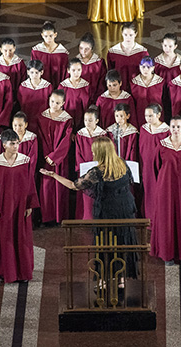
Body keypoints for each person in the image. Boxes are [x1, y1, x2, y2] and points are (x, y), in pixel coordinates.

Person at [40, 135, 139, 283]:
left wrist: (54, 175)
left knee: (105, 245)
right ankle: (121, 280)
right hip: (125, 211)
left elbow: (74, 185)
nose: (92, 154)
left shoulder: (96, 172)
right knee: (123, 244)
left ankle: (103, 281)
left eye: (94, 151)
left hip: (107, 214)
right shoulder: (122, 164)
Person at [0, 130, 40, 282]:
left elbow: (30, 183)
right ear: (4, 145)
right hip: (3, 207)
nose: (16, 146)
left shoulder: (25, 161)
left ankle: (23, 272)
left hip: (21, 205)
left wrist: (30, 204)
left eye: (17, 143)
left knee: (22, 238)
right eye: (12, 143)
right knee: (3, 239)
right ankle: (3, 272)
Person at [151, 116, 181, 264]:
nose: (176, 130)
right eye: (173, 127)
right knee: (167, 220)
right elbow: (156, 166)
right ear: (169, 128)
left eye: (179, 126)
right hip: (166, 188)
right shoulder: (162, 145)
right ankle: (168, 255)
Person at [38, 90, 74, 224]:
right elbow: (41, 136)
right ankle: (47, 217)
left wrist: (55, 156)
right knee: (46, 187)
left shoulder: (67, 119)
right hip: (45, 157)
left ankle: (60, 217)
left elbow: (66, 140)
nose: (54, 104)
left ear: (63, 103)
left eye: (57, 103)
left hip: (60, 159)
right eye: (52, 101)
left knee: (60, 186)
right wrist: (47, 155)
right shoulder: (42, 116)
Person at [74, 106, 109, 219]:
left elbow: (105, 151)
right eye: (85, 120)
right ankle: (86, 217)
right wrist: (83, 167)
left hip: (98, 168)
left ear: (97, 121)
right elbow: (78, 152)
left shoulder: (102, 134)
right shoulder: (80, 134)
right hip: (85, 168)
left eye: (90, 120)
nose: (87, 123)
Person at [106, 21, 149, 89]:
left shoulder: (142, 53)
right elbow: (110, 73)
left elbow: (147, 74)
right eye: (125, 35)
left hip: (137, 89)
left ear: (136, 34)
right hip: (119, 90)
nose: (128, 38)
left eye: (131, 35)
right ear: (122, 34)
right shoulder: (113, 52)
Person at [18, 59, 53, 135]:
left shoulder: (47, 86)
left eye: (37, 72)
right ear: (28, 72)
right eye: (32, 72)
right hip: (27, 118)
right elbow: (20, 102)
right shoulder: (23, 86)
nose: (34, 75)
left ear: (42, 72)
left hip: (43, 119)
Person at [30, 20, 69, 87]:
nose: (48, 39)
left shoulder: (62, 53)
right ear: (42, 35)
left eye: (51, 36)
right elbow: (33, 69)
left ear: (55, 35)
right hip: (41, 87)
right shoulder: (36, 51)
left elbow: (65, 73)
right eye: (46, 36)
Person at [130, 57, 164, 127]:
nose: (145, 69)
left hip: (157, 117)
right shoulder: (134, 82)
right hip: (139, 116)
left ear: (153, 68)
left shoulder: (160, 82)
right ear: (139, 67)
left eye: (148, 67)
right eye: (143, 67)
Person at [58, 57, 92, 131]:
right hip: (66, 122)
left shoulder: (86, 85)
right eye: (73, 70)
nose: (76, 73)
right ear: (68, 70)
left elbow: (89, 104)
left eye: (79, 70)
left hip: (83, 122)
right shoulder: (63, 86)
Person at [76, 32, 107, 102]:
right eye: (81, 48)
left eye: (86, 49)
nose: (83, 51)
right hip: (78, 99)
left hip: (95, 99)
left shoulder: (99, 63)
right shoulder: (75, 62)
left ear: (92, 49)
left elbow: (102, 84)